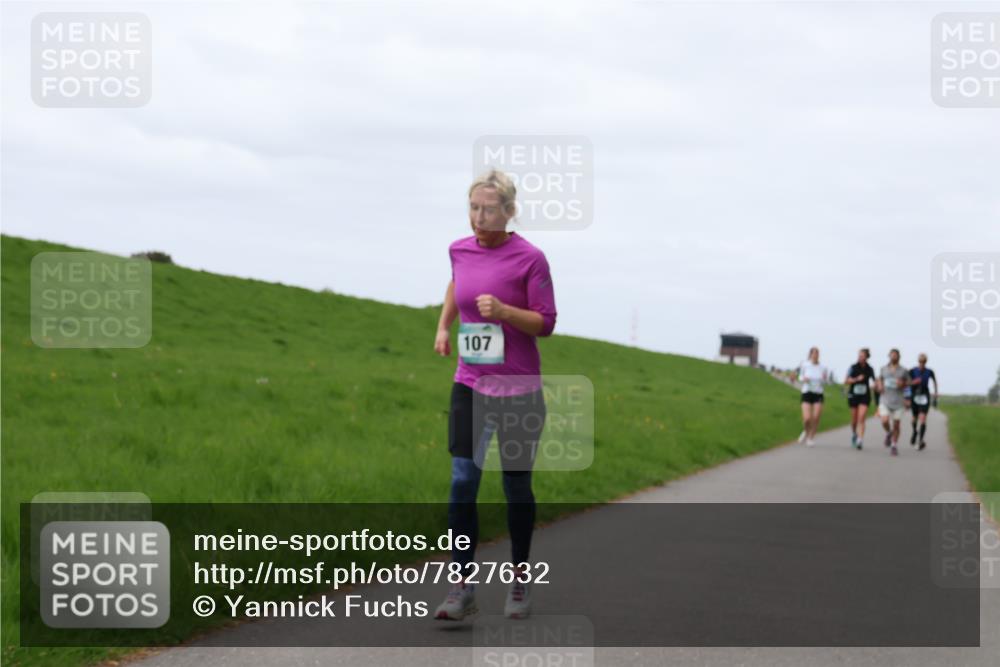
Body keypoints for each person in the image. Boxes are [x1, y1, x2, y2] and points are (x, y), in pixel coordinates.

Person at [432, 169, 557, 621]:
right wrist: (444, 325)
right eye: (473, 207)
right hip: (469, 384)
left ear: (508, 211)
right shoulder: (458, 249)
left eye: (488, 208)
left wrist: (505, 311)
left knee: (514, 485)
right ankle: (461, 585)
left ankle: (520, 581)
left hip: (519, 388)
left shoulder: (531, 259)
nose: (478, 216)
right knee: (463, 479)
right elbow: (456, 282)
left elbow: (546, 322)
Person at [877, 349, 909, 457]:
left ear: (899, 357)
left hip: (898, 401)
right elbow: (879, 379)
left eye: (895, 355)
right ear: (889, 356)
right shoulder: (883, 369)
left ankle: (894, 445)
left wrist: (903, 384)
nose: (893, 357)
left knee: (896, 424)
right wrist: (880, 385)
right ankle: (888, 433)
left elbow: (909, 383)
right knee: (884, 420)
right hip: (885, 399)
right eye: (892, 355)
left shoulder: (903, 370)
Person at [796, 347, 831, 446]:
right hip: (807, 392)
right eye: (813, 353)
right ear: (810, 355)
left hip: (818, 393)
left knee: (816, 417)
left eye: (817, 353)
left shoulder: (823, 367)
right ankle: (806, 431)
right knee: (807, 418)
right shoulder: (805, 365)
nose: (815, 355)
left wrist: (824, 379)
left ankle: (810, 437)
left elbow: (826, 381)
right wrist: (804, 379)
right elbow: (800, 377)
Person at [844, 348, 875, 449]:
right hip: (853, 395)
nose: (860, 357)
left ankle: (860, 440)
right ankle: (854, 433)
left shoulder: (870, 369)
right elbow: (846, 380)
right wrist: (856, 379)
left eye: (862, 356)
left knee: (861, 418)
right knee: (854, 420)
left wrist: (876, 386)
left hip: (865, 396)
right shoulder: (853, 367)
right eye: (859, 355)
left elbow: (874, 381)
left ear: (866, 357)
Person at [908, 353, 939, 450]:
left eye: (923, 362)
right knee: (914, 418)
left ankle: (921, 440)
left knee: (923, 418)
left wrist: (935, 393)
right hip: (915, 396)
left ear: (926, 362)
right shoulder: (912, 371)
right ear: (918, 361)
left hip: (925, 396)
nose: (922, 363)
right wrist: (914, 382)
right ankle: (914, 432)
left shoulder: (929, 371)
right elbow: (907, 383)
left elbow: (934, 382)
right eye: (920, 361)